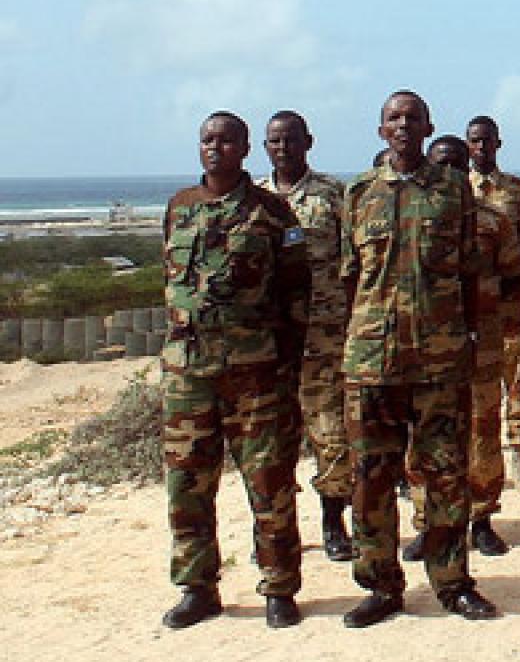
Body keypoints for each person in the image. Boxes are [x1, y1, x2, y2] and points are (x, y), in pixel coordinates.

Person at [340, 90, 498, 627]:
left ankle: (452, 583)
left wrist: (472, 340)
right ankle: (380, 585)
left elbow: (472, 272)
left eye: (412, 117)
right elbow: (346, 280)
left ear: (429, 127)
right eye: (393, 118)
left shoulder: (453, 191)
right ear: (380, 129)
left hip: (439, 359)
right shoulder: (359, 194)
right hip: (372, 362)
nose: (403, 125)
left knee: (447, 476)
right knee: (372, 477)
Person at [160, 111, 309, 629]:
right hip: (188, 375)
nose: (215, 148)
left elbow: (296, 295)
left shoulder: (272, 213)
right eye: (207, 139)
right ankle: (197, 587)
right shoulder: (179, 208)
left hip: (256, 374)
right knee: (187, 486)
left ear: (246, 150)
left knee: (269, 484)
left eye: (226, 141)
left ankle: (279, 588)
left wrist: (284, 369)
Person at [398, 134, 520, 559]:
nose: (451, 173)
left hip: (482, 346)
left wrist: (495, 327)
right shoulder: (417, 218)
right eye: (443, 165)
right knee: (425, 437)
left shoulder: (492, 221)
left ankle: (483, 517)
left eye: (457, 165)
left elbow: (512, 276)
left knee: (483, 433)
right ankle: (425, 521)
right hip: (426, 348)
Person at [258, 109, 353, 563]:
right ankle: (275, 533)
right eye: (275, 141)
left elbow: (354, 262)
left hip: (324, 337)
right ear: (265, 147)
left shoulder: (332, 195)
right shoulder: (251, 198)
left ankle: (334, 522)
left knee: (330, 433)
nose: (283, 148)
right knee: (270, 441)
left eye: (290, 140)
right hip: (268, 342)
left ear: (308, 142)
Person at [463, 116, 520, 506]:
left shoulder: (516, 191)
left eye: (487, 141)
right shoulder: (457, 189)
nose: (481, 148)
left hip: (512, 308)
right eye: (474, 141)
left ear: (498, 143)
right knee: (480, 396)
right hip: (473, 314)